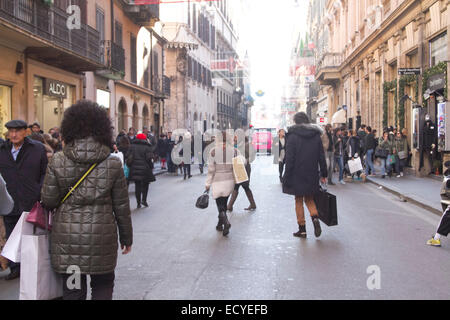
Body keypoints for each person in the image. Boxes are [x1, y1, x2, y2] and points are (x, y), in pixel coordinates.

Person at [41, 100, 132, 300]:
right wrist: (126, 238)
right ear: (103, 130)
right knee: (102, 285)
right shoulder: (113, 164)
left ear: (69, 129)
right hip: (103, 238)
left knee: (73, 290)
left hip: (68, 241)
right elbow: (122, 207)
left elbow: (48, 200)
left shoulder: (57, 160)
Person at [0, 119, 48, 280]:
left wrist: (39, 190)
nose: (13, 135)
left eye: (17, 131)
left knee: (30, 235)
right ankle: (15, 268)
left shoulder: (37, 149)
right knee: (11, 235)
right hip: (9, 200)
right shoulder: (2, 150)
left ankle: (31, 265)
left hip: (30, 199)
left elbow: (44, 172)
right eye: (10, 132)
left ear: (25, 132)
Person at [282, 112, 327, 238]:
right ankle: (315, 218)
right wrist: (324, 172)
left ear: (296, 122)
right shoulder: (315, 135)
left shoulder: (292, 136)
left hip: (297, 173)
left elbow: (290, 158)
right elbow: (321, 156)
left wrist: (287, 175)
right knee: (309, 198)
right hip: (311, 172)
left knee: (298, 200)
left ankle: (302, 229)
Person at [205, 131, 238, 236]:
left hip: (218, 178)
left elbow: (211, 170)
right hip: (229, 179)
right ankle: (220, 224)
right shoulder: (234, 151)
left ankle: (226, 222)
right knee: (224, 201)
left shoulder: (213, 151)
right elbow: (242, 163)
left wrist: (207, 183)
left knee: (219, 203)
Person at [227, 135, 257, 212]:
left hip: (244, 168)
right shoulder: (235, 145)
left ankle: (230, 206)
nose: (234, 138)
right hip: (237, 167)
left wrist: (245, 161)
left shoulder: (246, 145)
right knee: (241, 186)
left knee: (241, 186)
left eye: (236, 137)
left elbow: (252, 156)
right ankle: (252, 204)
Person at [127, 133, 156, 208]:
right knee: (146, 184)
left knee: (137, 185)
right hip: (145, 168)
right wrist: (151, 167)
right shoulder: (147, 146)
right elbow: (149, 159)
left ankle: (138, 202)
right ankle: (144, 200)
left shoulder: (132, 146)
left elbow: (128, 156)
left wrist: (130, 165)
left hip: (134, 168)